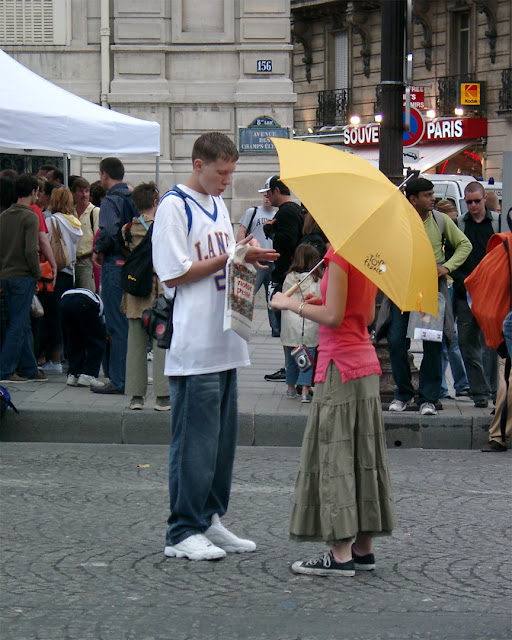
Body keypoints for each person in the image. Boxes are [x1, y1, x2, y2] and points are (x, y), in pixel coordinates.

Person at [152, 132, 278, 561]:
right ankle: (181, 530)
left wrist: (246, 254)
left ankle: (208, 518)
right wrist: (229, 258)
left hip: (226, 339)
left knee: (222, 442)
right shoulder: (175, 204)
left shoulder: (218, 205)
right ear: (198, 164)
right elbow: (173, 273)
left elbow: (226, 257)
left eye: (231, 172)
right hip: (196, 342)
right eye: (221, 172)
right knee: (195, 441)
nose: (227, 179)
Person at [270, 245, 395, 577]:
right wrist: (321, 304)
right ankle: (363, 549)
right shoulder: (370, 254)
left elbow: (334, 317)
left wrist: (290, 303)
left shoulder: (341, 253)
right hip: (365, 366)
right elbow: (364, 316)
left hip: (339, 365)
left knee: (335, 457)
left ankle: (340, 555)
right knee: (363, 457)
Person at [378, 178, 472, 416]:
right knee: (397, 342)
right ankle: (404, 393)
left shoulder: (440, 220)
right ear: (413, 199)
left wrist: (447, 267)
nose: (433, 199)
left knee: (432, 342)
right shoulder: (398, 222)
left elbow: (464, 244)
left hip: (430, 288)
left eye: (432, 194)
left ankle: (428, 398)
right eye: (428, 195)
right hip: (403, 289)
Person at [120, 182, 170, 411]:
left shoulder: (127, 229)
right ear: (155, 203)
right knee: (160, 344)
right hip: (156, 292)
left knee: (135, 346)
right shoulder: (162, 227)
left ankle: (136, 397)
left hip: (133, 293)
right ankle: (162, 396)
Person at [451, 182, 500, 408]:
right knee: (466, 342)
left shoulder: (496, 223)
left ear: (484, 199)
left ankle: (491, 391)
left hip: (493, 293)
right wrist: (463, 283)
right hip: (466, 293)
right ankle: (480, 392)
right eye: (468, 202)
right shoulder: (459, 225)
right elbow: (451, 257)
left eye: (476, 201)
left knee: (492, 343)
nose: (472, 206)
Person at [0, 174, 47, 383]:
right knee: (18, 324)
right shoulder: (30, 217)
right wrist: (37, 273)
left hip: (6, 275)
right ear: (34, 192)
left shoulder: (4, 216)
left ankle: (29, 367)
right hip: (23, 276)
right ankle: (6, 370)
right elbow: (31, 250)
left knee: (21, 321)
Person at [91, 157, 133, 395]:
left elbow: (107, 230)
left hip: (115, 265)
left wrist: (98, 250)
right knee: (131, 323)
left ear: (105, 175)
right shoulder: (133, 197)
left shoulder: (111, 200)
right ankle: (131, 375)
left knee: (117, 325)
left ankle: (118, 379)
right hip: (134, 266)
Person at [260, 175, 304, 380]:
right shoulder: (293, 210)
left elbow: (286, 242)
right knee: (291, 326)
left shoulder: (286, 212)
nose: (267, 197)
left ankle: (292, 369)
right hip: (291, 272)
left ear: (277, 190)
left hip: (285, 274)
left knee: (287, 326)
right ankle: (294, 368)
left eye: (268, 192)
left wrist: (270, 229)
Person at [39, 187, 83, 373]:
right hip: (70, 272)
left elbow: (44, 243)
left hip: (53, 272)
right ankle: (64, 356)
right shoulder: (75, 224)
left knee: (51, 315)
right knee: (64, 316)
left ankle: (54, 358)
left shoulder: (52, 221)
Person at [280, 244, 322, 403]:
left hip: (290, 325)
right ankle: (305, 390)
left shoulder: (289, 278)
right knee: (307, 358)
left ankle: (290, 388)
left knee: (291, 358)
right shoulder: (315, 280)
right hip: (307, 324)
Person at [236, 192, 278, 335]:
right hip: (255, 259)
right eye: (264, 195)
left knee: (272, 296)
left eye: (269, 195)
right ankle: (240, 323)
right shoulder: (252, 212)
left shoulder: (277, 215)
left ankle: (276, 329)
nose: (266, 198)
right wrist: (242, 251)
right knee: (248, 292)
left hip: (272, 261)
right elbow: (242, 231)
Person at [60, 288, 106, 388]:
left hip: (65, 300)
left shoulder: (95, 297)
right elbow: (101, 328)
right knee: (97, 341)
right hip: (85, 303)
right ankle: (88, 374)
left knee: (73, 339)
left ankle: (73, 374)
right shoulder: (103, 307)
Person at [72, 177, 100, 291]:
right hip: (72, 262)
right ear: (73, 193)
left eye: (87, 191)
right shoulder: (70, 211)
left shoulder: (94, 211)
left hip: (87, 260)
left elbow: (98, 236)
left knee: (87, 294)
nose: (84, 195)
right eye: (80, 191)